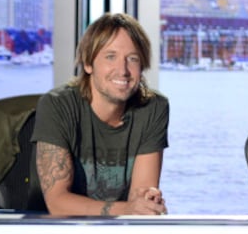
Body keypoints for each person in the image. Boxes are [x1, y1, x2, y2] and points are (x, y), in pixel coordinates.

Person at [32, 12, 169, 216]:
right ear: (88, 63)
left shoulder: (153, 108)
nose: (122, 70)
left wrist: (147, 204)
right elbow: (58, 203)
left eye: (132, 59)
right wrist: (128, 209)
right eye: (110, 56)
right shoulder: (57, 105)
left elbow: (140, 200)